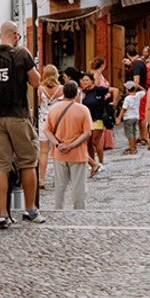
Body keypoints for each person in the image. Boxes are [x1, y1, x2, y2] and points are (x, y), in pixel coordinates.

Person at [0, 21, 44, 228]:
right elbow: (36, 81)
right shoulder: (21, 54)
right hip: (18, 116)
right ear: (15, 35)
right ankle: (30, 209)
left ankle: (3, 214)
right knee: (27, 162)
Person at [43, 80, 93, 210]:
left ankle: (58, 210)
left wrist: (58, 144)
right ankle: (79, 211)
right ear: (77, 93)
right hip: (78, 154)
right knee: (79, 188)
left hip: (59, 153)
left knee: (60, 186)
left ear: (63, 93)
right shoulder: (83, 110)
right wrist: (71, 145)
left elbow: (47, 130)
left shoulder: (54, 109)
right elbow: (87, 133)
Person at [36, 65, 63, 189]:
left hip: (44, 120)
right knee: (58, 150)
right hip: (58, 121)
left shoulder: (40, 89)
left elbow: (36, 105)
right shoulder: (61, 89)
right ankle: (58, 180)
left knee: (43, 152)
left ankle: (41, 180)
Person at [79, 72, 108, 177]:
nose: (85, 82)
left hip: (98, 118)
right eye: (83, 80)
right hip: (87, 120)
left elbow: (114, 90)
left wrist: (112, 104)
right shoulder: (83, 92)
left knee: (96, 140)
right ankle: (93, 164)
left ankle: (101, 162)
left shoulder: (99, 89)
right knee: (88, 143)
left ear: (92, 80)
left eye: (87, 80)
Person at [120, 81, 143, 154]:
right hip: (136, 116)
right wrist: (138, 85)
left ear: (127, 89)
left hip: (128, 117)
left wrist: (118, 118)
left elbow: (124, 108)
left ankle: (132, 148)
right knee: (133, 131)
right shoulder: (138, 95)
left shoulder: (127, 98)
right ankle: (133, 146)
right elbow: (145, 91)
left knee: (129, 133)